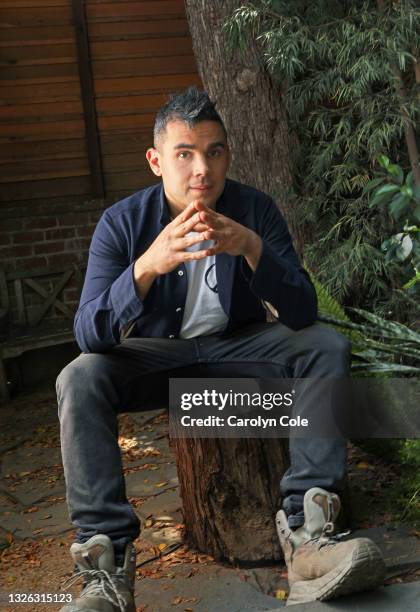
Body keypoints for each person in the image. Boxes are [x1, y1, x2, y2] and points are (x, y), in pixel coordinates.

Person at [56, 87, 385, 611]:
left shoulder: (254, 209)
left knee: (325, 346)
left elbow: (301, 313)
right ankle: (106, 568)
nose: (201, 169)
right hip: (155, 357)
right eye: (184, 153)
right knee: (78, 376)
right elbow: (90, 334)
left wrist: (252, 248)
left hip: (241, 347)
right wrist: (147, 267)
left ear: (227, 155)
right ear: (156, 160)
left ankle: (309, 537)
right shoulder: (122, 223)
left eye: (214, 152)